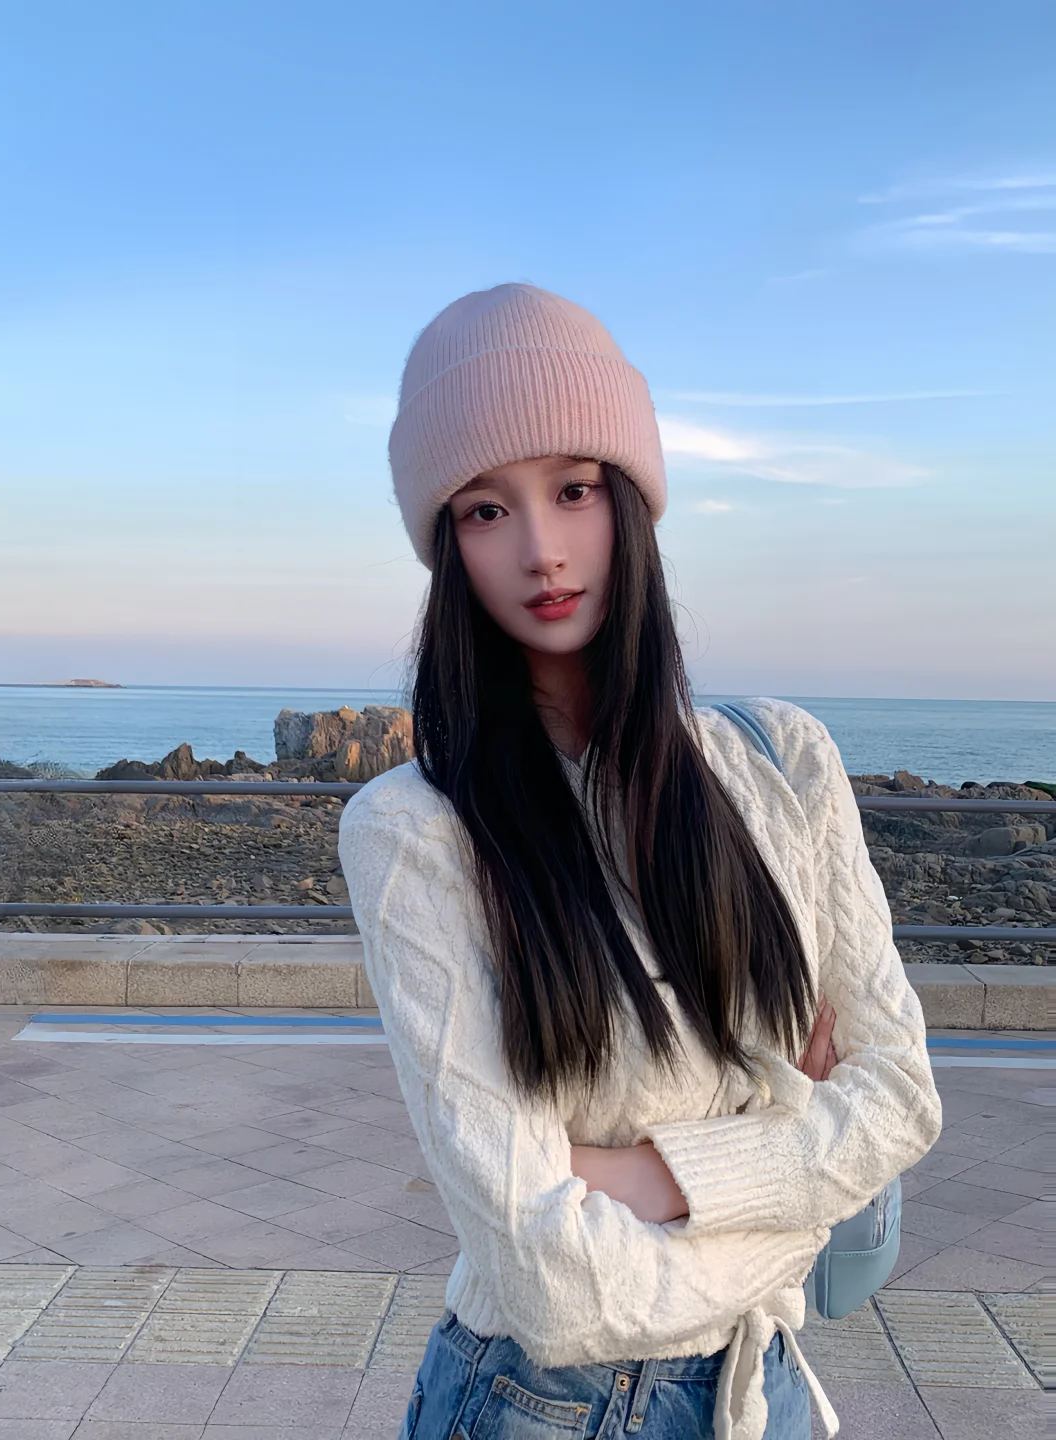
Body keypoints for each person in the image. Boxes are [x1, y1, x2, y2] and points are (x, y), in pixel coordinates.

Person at [338, 283, 942, 1440]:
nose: (542, 550)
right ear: (446, 545)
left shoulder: (784, 763)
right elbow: (551, 1287)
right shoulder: (415, 830)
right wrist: (794, 1187)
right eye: (485, 509)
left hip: (761, 1387)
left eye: (574, 489)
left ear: (632, 497)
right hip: (537, 1403)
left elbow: (900, 1102)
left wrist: (639, 1178)